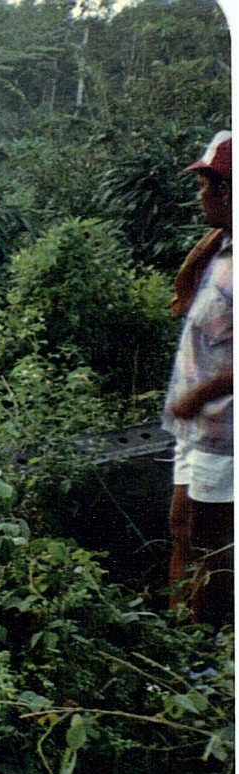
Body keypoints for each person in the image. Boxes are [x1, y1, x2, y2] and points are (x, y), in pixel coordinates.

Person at [164, 129, 233, 629]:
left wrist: (198, 395)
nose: (201, 196)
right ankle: (179, 639)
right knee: (182, 531)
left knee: (214, 550)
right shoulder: (222, 250)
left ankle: (207, 660)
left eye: (210, 186)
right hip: (198, 430)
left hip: (225, 435)